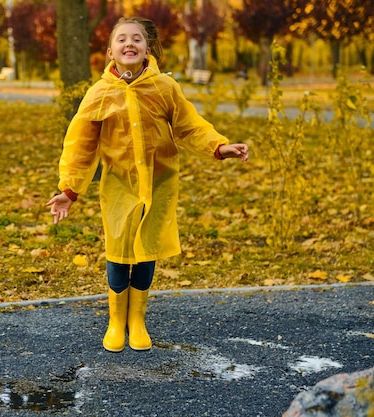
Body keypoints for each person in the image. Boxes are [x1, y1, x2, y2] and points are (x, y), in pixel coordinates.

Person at [46, 17, 248, 353]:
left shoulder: (164, 88)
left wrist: (219, 146)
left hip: (159, 181)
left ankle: (137, 320)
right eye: (121, 39)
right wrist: (70, 190)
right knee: (119, 248)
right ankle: (116, 321)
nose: (129, 44)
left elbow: (189, 125)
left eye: (137, 39)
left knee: (146, 248)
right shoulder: (99, 94)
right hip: (119, 184)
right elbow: (80, 145)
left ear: (147, 48)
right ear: (110, 51)